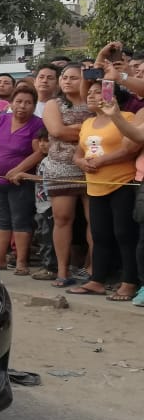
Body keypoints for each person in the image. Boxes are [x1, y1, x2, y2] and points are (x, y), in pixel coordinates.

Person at [68, 84, 140, 300]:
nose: (91, 95)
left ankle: (129, 282)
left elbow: (130, 148)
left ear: (113, 96)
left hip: (122, 183)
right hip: (95, 185)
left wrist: (101, 161)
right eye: (88, 92)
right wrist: (82, 163)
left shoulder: (127, 117)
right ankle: (97, 280)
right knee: (99, 235)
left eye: (97, 91)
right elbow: (78, 153)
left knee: (124, 234)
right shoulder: (88, 122)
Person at [36, 62, 93, 286]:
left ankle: (92, 269)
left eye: (74, 77)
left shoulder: (94, 101)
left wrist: (77, 132)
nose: (67, 81)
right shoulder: (54, 103)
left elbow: (107, 127)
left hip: (93, 166)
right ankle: (62, 271)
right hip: (60, 166)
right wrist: (88, 130)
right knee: (62, 219)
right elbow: (57, 131)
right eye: (64, 77)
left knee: (94, 221)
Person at [0, 83, 44, 274]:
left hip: (20, 182)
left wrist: (18, 169)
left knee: (20, 220)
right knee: (0, 220)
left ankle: (21, 262)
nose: (22, 106)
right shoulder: (1, 119)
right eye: (19, 101)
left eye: (28, 103)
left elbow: (39, 152)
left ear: (34, 105)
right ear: (11, 103)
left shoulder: (37, 124)